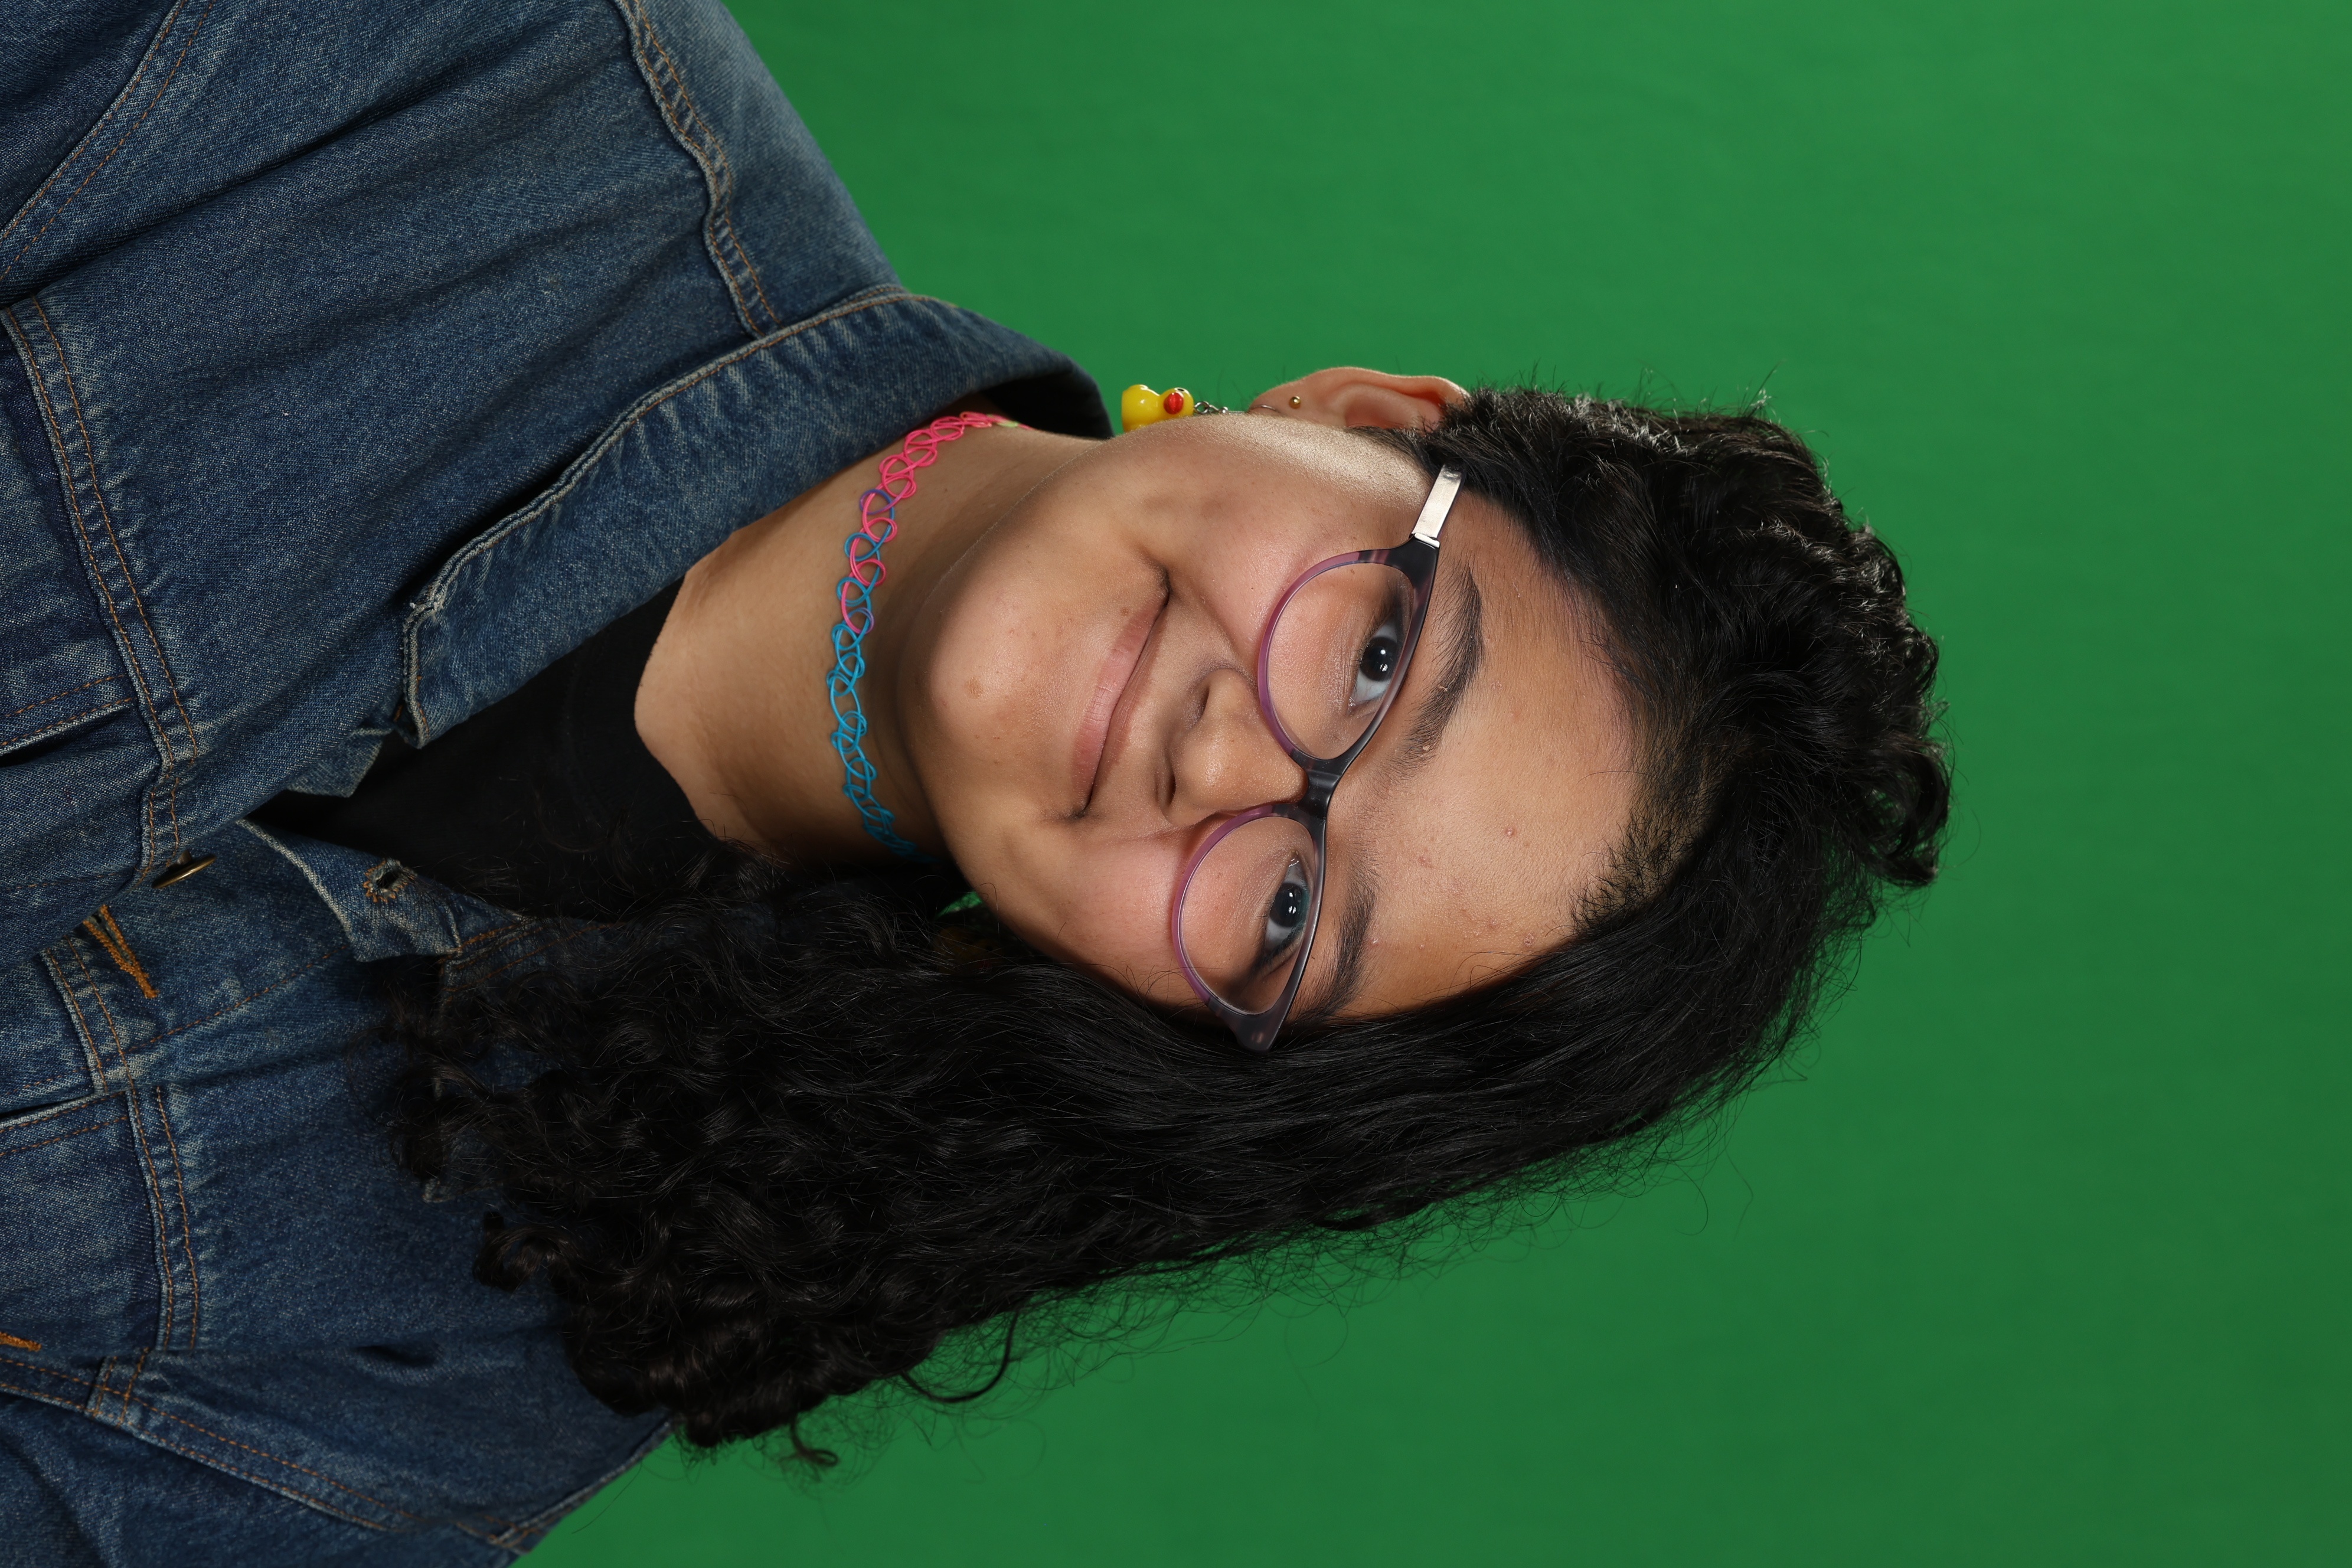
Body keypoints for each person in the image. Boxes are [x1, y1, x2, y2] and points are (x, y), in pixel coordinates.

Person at [0, 0, 1949, 1562]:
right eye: (1376, 658)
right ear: (1359, 418)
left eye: (1289, 910)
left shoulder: (517, 1321)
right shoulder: (456, 70)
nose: (1229, 761)